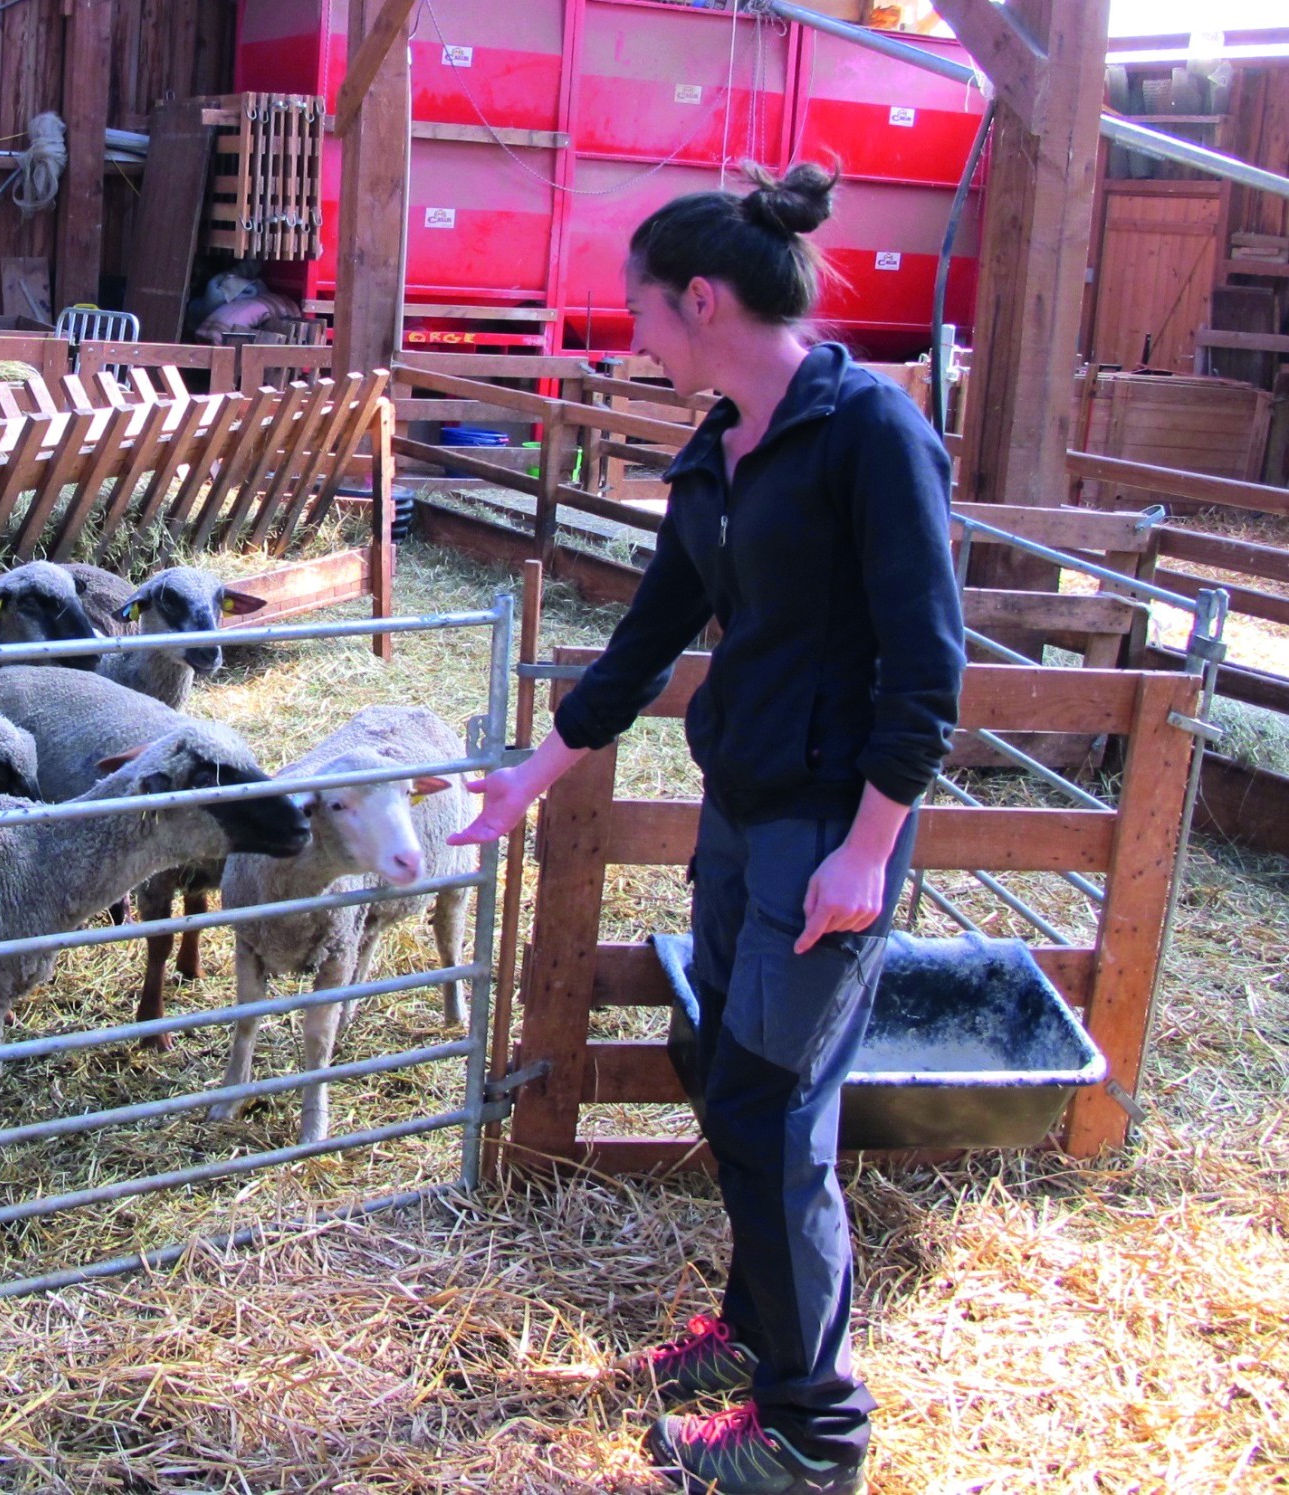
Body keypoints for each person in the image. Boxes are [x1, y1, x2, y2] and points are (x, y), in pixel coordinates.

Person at [451, 161, 963, 1495]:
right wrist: (537, 769)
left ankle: (815, 1437)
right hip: (744, 815)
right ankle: (752, 1331)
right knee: (718, 1061)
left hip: (833, 828)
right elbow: (649, 635)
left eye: (642, 321)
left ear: (702, 299)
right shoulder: (716, 454)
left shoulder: (867, 434)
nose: (637, 346)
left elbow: (928, 661)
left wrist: (868, 847)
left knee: (770, 1102)